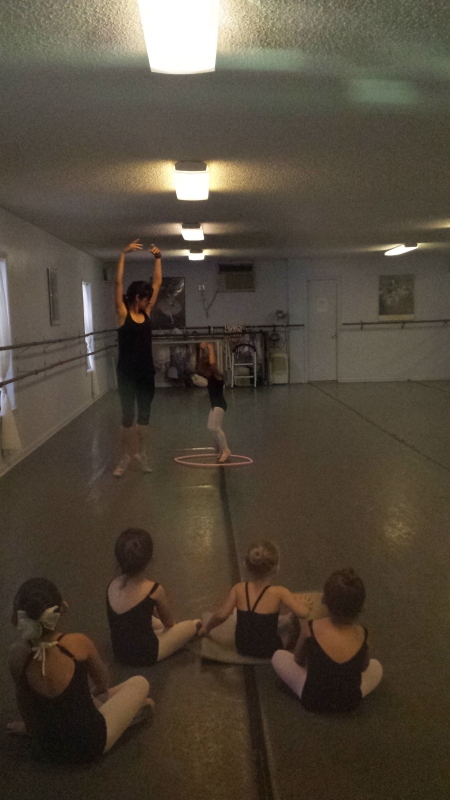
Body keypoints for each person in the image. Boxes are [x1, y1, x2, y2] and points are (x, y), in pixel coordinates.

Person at [7, 578, 153, 763]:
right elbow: (102, 682)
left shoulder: (16, 655)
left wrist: (29, 728)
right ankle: (129, 715)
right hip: (90, 744)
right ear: (63, 608)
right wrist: (98, 692)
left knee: (77, 699)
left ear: (16, 619)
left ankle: (114, 709)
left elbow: (24, 702)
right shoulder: (78, 643)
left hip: (48, 748)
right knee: (140, 682)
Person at [272, 568, 383, 712]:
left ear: (324, 599)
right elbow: (364, 667)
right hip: (350, 703)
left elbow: (298, 660)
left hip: (312, 700)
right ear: (360, 607)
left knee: (278, 656)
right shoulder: (363, 633)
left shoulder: (310, 627)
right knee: (377, 666)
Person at [198, 540, 311, 659]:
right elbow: (303, 613)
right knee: (290, 622)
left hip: (242, 647)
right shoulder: (280, 592)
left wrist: (206, 628)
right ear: (276, 567)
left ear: (246, 565)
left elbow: (221, 615)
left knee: (238, 611)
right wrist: (304, 605)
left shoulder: (238, 588)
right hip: (270, 650)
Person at [107, 529, 201, 667]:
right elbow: (169, 623)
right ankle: (187, 630)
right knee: (191, 625)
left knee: (144, 619)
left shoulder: (112, 585)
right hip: (146, 655)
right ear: (150, 559)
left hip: (119, 652)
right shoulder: (154, 590)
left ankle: (164, 634)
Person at [114, 239, 162, 477]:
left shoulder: (147, 312)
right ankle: (125, 456)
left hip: (146, 373)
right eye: (145, 298)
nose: (149, 301)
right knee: (127, 416)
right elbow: (118, 282)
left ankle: (142, 454)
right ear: (136, 297)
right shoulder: (123, 314)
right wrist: (123, 254)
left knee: (144, 416)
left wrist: (158, 259)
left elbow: (157, 282)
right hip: (126, 373)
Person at [198, 341, 231, 463]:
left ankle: (226, 450)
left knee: (215, 428)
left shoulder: (218, 375)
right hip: (214, 405)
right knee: (211, 428)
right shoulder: (210, 376)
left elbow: (212, 364)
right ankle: (222, 449)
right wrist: (202, 350)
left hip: (219, 404)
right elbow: (201, 365)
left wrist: (211, 349)